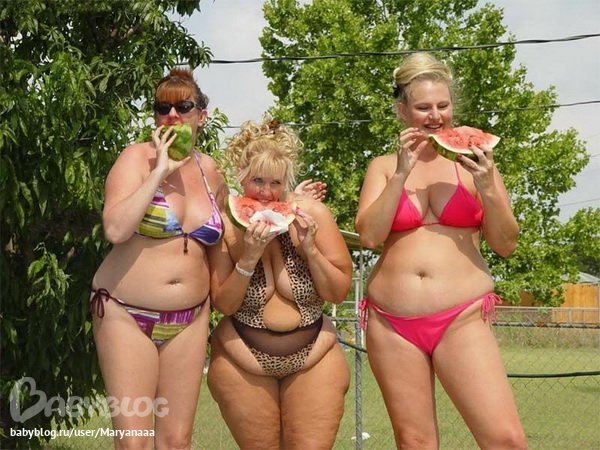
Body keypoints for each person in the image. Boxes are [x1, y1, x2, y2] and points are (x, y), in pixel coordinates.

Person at [355, 53, 527, 449]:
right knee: (415, 443)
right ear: (403, 111)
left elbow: (505, 244)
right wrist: (401, 173)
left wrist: (487, 186)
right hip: (391, 323)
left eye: (443, 105)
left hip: (461, 316)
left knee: (506, 439)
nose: (435, 116)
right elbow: (370, 236)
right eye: (423, 107)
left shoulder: (479, 165)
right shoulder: (382, 166)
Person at [90, 68, 227, 449]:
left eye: (183, 107)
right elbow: (115, 229)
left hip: (190, 318)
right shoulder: (136, 158)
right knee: (134, 442)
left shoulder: (212, 171)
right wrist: (160, 172)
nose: (172, 116)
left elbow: (223, 245)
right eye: (162, 108)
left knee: (176, 441)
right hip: (125, 312)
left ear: (201, 115)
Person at [207, 116, 353, 449]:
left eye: (275, 182)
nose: (265, 192)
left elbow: (337, 292)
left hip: (315, 354)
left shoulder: (312, 215)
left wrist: (310, 251)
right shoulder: (226, 225)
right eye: (257, 180)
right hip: (242, 358)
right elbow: (224, 304)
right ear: (241, 176)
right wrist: (248, 259)